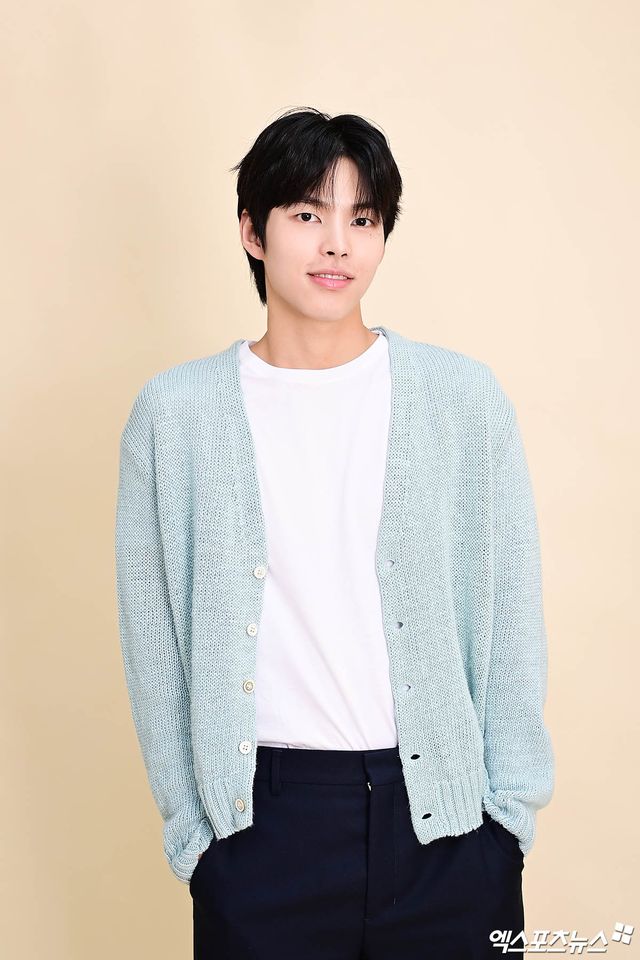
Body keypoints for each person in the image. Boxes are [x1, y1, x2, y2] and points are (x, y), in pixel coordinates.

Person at [115, 107, 554, 960]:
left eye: (363, 218)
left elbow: (512, 616)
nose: (337, 245)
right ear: (253, 231)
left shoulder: (463, 401)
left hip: (447, 827)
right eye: (307, 214)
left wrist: (506, 823)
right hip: (260, 830)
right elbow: (152, 639)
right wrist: (198, 841)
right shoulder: (174, 416)